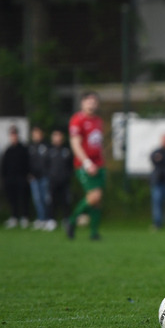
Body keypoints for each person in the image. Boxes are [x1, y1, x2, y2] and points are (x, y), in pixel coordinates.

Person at [67, 91, 105, 240]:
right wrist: (87, 163)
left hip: (99, 164)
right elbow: (75, 144)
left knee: (97, 200)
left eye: (94, 101)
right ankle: (72, 221)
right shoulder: (77, 120)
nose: (92, 104)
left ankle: (94, 233)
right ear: (82, 103)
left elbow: (98, 145)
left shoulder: (98, 121)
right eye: (88, 101)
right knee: (94, 196)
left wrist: (102, 162)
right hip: (84, 165)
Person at [1, 125, 30, 228]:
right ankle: (14, 217)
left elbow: (28, 163)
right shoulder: (8, 150)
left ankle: (24, 217)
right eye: (11, 135)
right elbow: (4, 166)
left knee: (23, 198)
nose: (13, 137)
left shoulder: (23, 149)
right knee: (12, 200)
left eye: (15, 134)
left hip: (22, 178)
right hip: (10, 179)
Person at [46, 129, 73, 229]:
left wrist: (67, 175)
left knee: (65, 201)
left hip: (64, 181)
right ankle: (51, 220)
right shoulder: (49, 151)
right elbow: (46, 165)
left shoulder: (66, 151)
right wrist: (50, 175)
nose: (57, 138)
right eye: (55, 136)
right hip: (52, 181)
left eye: (59, 136)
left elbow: (70, 166)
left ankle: (66, 219)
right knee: (51, 201)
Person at [28, 126, 51, 229]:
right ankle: (40, 219)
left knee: (46, 198)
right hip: (34, 177)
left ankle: (48, 219)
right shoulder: (30, 147)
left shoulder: (46, 146)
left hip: (44, 176)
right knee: (37, 199)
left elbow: (49, 162)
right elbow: (27, 162)